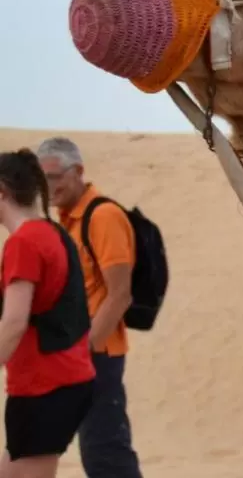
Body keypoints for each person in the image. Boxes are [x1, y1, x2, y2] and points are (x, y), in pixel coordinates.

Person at [36, 137, 143, 478]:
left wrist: (83, 352)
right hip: (78, 355)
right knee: (98, 451)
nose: (49, 187)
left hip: (98, 354)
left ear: (78, 171)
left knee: (105, 452)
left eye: (55, 177)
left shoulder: (103, 216)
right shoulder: (68, 220)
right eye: (43, 179)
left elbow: (120, 294)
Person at [0, 148, 96, 477]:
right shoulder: (52, 233)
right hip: (63, 382)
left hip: (44, 388)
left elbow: (13, 323)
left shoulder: (23, 243)